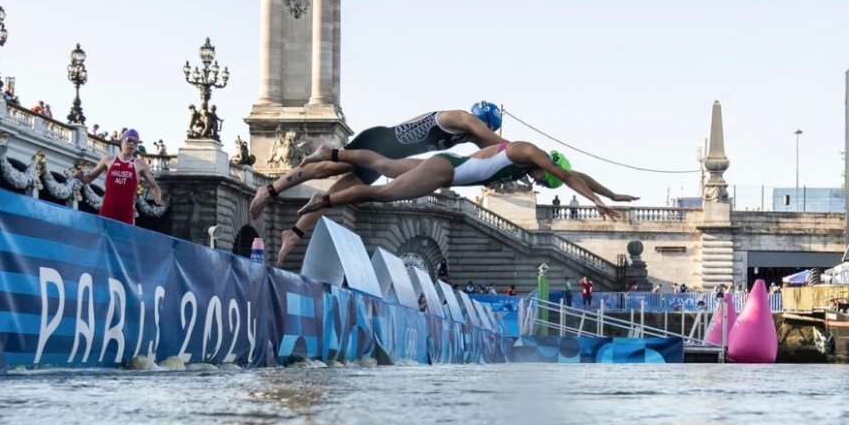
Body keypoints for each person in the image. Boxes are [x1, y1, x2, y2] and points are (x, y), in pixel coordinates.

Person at [249, 103, 506, 264]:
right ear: (484, 122)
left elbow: (491, 154)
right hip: (378, 142)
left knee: (334, 196)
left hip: (385, 158)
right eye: (487, 128)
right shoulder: (461, 118)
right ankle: (269, 190)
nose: (484, 133)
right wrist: (523, 154)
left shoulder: (464, 136)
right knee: (326, 168)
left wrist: (512, 168)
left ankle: (294, 233)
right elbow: (500, 146)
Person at [294, 141, 630, 225]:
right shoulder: (525, 151)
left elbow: (577, 175)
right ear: (548, 166)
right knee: (382, 194)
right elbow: (568, 176)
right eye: (545, 180)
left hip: (447, 164)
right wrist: (597, 202)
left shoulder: (526, 163)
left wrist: (610, 194)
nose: (538, 182)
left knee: (384, 164)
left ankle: (329, 152)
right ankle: (324, 201)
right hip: (444, 173)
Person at [73, 128, 163, 225]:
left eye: (135, 142)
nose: (132, 144)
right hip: (107, 211)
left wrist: (157, 196)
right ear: (122, 141)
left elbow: (154, 186)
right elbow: (89, 178)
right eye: (129, 140)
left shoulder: (140, 164)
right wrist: (80, 177)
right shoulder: (108, 160)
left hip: (126, 215)